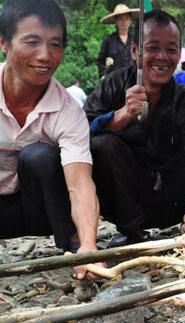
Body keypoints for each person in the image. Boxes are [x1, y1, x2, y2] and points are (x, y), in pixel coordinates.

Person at [84, 10, 185, 247]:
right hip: (125, 201)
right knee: (102, 144)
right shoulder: (112, 86)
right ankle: (130, 231)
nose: (162, 57)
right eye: (152, 47)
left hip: (174, 200)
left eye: (171, 49)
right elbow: (78, 133)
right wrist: (119, 117)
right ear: (135, 51)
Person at [0, 0, 101, 280]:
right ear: (4, 43)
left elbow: (80, 183)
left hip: (36, 210)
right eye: (32, 41)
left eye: (55, 44)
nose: (45, 55)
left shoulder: (68, 110)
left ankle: (72, 242)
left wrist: (90, 249)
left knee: (39, 156)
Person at [96, 4, 138, 79]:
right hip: (114, 81)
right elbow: (100, 61)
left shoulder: (135, 39)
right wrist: (103, 75)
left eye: (126, 18)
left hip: (132, 79)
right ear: (116, 21)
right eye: (120, 19)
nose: (124, 22)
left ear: (130, 20)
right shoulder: (109, 40)